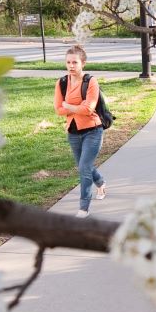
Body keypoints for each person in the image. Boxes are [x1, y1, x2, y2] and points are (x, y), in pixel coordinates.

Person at [54, 44, 107, 218]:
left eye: (75, 62)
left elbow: (88, 108)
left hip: (93, 130)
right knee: (84, 166)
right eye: (68, 62)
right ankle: (100, 182)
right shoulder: (61, 83)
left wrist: (68, 105)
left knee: (84, 167)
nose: (71, 66)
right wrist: (77, 107)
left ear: (82, 63)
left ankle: (84, 208)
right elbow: (58, 109)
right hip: (73, 132)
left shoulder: (91, 81)